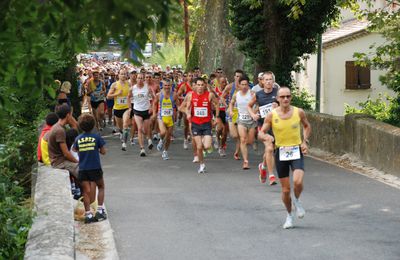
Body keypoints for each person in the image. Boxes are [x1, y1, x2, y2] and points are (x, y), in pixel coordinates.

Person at [261, 86, 311, 229]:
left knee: (298, 181)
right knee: (285, 190)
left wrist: (304, 141)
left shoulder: (298, 112)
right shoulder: (271, 115)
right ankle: (289, 216)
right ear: (277, 98)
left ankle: (296, 200)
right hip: (281, 152)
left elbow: (307, 126)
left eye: (288, 96)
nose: (285, 99)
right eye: (282, 97)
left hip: (296, 150)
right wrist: (267, 136)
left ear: (291, 98)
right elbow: (261, 132)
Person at [73, 113, 107, 224]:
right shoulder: (96, 137)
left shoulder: (78, 138)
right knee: (101, 186)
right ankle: (100, 210)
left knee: (85, 192)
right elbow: (103, 152)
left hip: (83, 168)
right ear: (93, 125)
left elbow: (74, 150)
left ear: (80, 126)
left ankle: (88, 214)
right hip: (95, 167)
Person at [247, 71, 279, 185]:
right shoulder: (258, 94)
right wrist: (253, 115)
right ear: (262, 81)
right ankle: (271, 176)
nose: (268, 81)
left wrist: (279, 106)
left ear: (273, 81)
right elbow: (249, 106)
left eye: (270, 79)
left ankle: (263, 165)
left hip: (276, 127)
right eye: (266, 79)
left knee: (271, 150)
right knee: (269, 148)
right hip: (263, 126)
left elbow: (287, 106)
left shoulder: (278, 93)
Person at [185, 77, 219, 173]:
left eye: (202, 85)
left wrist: (216, 117)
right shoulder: (191, 95)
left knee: (207, 146)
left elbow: (217, 104)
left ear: (205, 86)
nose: (200, 87)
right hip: (195, 123)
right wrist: (188, 114)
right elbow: (187, 107)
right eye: (198, 85)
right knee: (199, 147)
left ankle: (206, 147)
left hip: (207, 123)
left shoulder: (210, 95)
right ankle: (202, 165)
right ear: (195, 85)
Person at [229, 76, 257, 169]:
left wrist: (254, 113)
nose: (244, 86)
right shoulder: (236, 94)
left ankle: (251, 143)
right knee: (243, 140)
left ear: (248, 85)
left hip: (252, 120)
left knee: (250, 141)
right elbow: (231, 103)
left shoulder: (252, 94)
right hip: (241, 120)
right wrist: (231, 110)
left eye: (246, 84)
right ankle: (246, 161)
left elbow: (258, 104)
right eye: (242, 84)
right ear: (239, 85)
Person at [47, 104, 79, 179]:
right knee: (84, 172)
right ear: (68, 115)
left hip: (60, 160)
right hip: (60, 162)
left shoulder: (58, 127)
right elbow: (66, 153)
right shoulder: (59, 130)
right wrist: (77, 162)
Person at [152, 79, 178, 160]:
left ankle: (165, 152)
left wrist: (179, 112)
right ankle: (160, 141)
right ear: (162, 86)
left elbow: (178, 105)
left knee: (168, 136)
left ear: (171, 86)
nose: (167, 87)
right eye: (165, 85)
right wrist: (153, 113)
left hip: (170, 117)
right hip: (161, 116)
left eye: (168, 85)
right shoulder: (159, 95)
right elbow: (154, 103)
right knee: (163, 132)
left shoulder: (174, 95)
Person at [131, 73, 154, 156]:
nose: (140, 80)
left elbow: (154, 98)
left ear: (143, 79)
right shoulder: (133, 88)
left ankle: (149, 139)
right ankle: (142, 149)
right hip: (137, 111)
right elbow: (128, 97)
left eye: (141, 78)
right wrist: (129, 107)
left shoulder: (147, 87)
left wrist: (151, 107)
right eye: (138, 78)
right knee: (140, 128)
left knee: (146, 129)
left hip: (146, 110)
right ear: (136, 79)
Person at [107, 70, 130, 150]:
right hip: (117, 108)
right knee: (120, 127)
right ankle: (121, 132)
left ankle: (124, 143)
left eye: (125, 74)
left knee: (125, 125)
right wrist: (117, 94)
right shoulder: (115, 84)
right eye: (122, 74)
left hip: (126, 108)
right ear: (118, 75)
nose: (123, 75)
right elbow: (108, 96)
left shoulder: (129, 84)